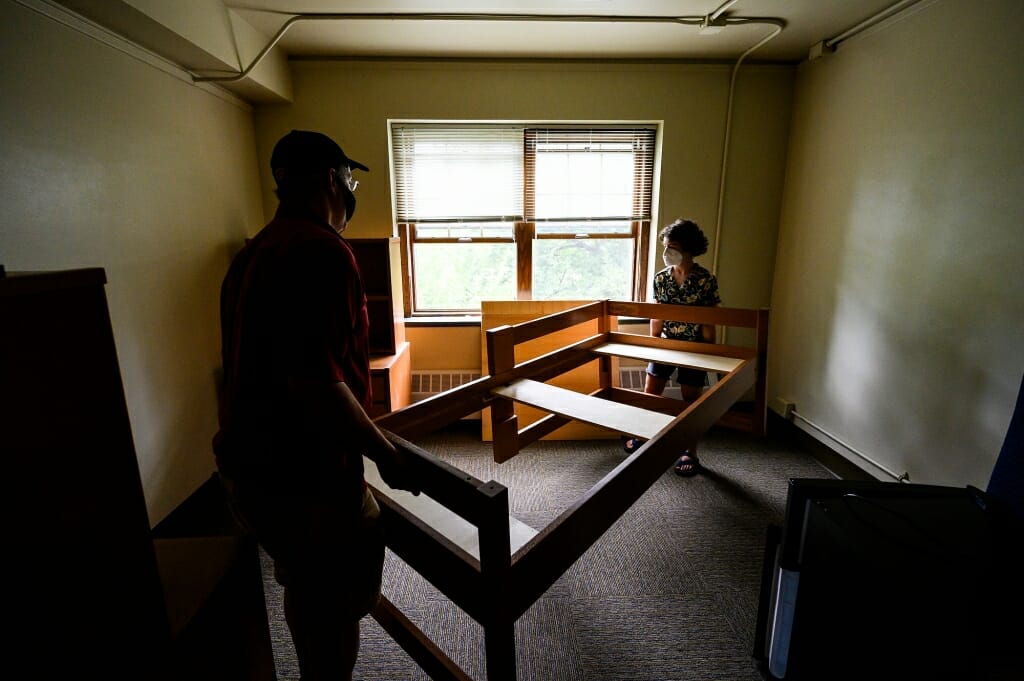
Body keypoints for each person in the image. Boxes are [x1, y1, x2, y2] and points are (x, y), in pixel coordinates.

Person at [213, 129, 420, 680]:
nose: (352, 192)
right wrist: (387, 454)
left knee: (304, 580)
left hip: (250, 466)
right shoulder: (324, 253)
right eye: (350, 179)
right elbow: (319, 384)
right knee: (343, 573)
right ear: (333, 179)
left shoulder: (253, 254)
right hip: (304, 474)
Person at [623, 218, 721, 477]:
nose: (667, 253)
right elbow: (657, 315)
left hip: (694, 346)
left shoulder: (704, 280)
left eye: (673, 247)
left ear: (689, 249)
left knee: (690, 398)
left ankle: (690, 451)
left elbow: (710, 319)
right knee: (651, 392)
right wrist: (652, 345)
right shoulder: (662, 279)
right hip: (666, 343)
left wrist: (712, 353)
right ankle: (646, 437)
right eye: (665, 247)